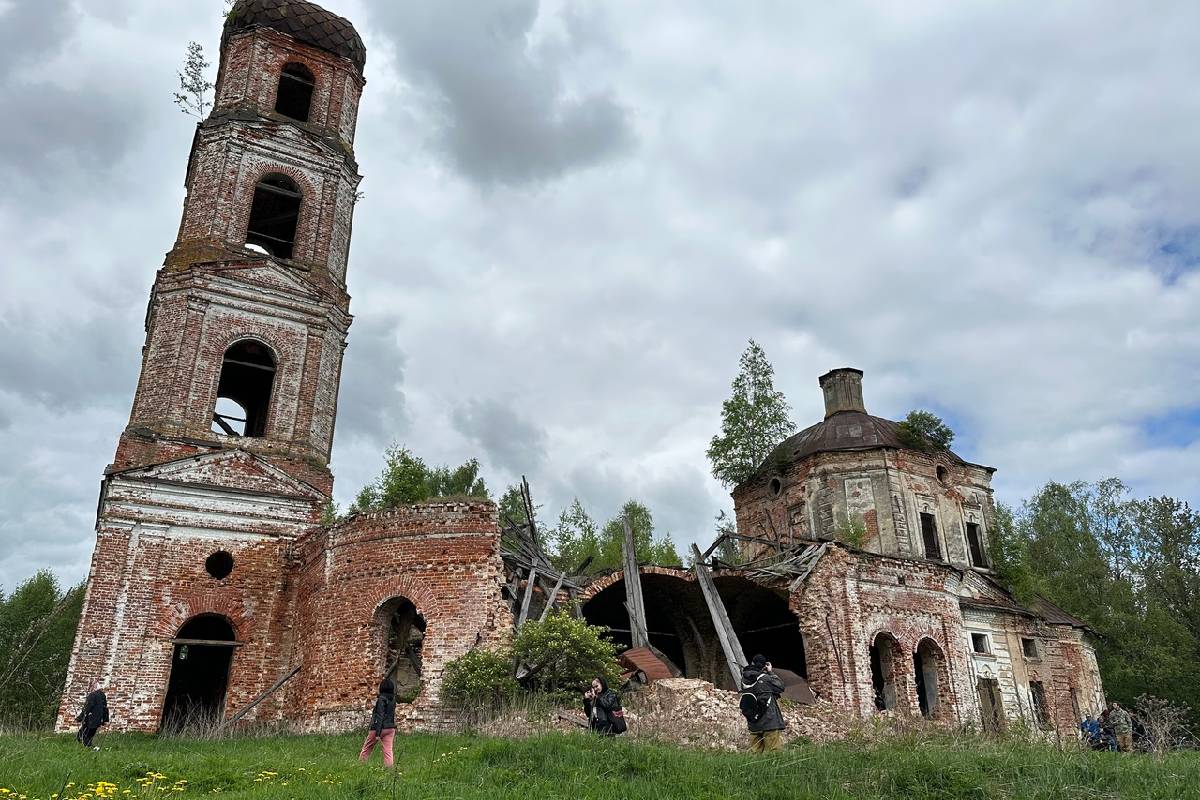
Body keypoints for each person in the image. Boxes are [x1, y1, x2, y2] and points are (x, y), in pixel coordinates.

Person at [740, 654, 786, 752]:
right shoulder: (765, 678)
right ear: (764, 666)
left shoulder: (744, 679)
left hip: (753, 721)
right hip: (769, 721)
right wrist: (770, 672)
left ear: (752, 663)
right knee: (774, 753)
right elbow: (781, 687)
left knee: (755, 754)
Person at [358, 678, 397, 767]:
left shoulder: (381, 699)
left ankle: (360, 766)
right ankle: (389, 769)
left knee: (367, 748)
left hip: (379, 728)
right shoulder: (393, 699)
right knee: (388, 751)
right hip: (390, 728)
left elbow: (380, 715)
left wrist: (378, 734)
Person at [75, 680, 109, 750]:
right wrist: (104, 719)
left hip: (90, 719)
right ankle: (88, 747)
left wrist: (80, 717)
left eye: (91, 687)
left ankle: (88, 748)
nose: (89, 688)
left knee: (83, 735)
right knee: (89, 734)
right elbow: (105, 707)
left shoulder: (92, 695)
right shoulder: (102, 695)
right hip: (98, 719)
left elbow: (87, 707)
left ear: (94, 687)